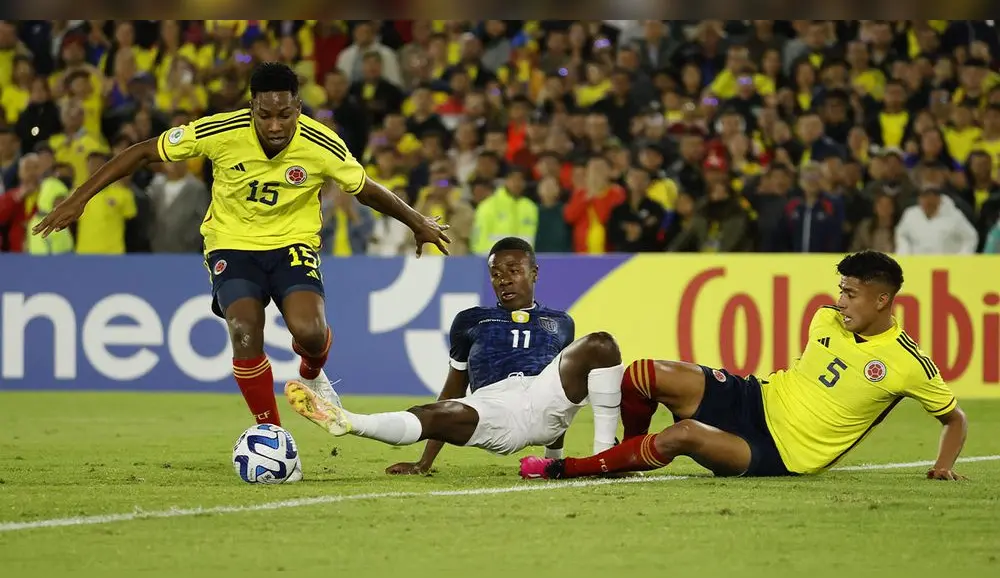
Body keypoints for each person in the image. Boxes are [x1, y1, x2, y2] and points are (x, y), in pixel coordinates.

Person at [32, 62, 450, 429]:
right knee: (245, 330)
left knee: (310, 332)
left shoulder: (322, 144)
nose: (273, 125)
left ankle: (312, 374)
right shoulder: (220, 131)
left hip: (292, 243)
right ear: (251, 109)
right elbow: (143, 153)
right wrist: (79, 197)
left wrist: (418, 222)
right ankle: (271, 431)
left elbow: (365, 188)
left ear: (298, 110)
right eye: (264, 114)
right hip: (231, 244)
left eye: (284, 115)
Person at [520, 251, 969, 481]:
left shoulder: (908, 363)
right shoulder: (825, 318)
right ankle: (631, 454)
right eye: (841, 289)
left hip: (783, 453)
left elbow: (955, 418)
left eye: (851, 293)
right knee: (642, 373)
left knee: (683, 435)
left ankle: (569, 469)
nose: (841, 299)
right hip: (757, 397)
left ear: (882, 299)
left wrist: (943, 464)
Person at [284, 237, 625, 475]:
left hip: (545, 396)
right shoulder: (470, 321)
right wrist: (424, 462)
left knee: (601, 343)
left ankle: (605, 456)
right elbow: (453, 388)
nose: (504, 279)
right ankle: (348, 422)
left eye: (513, 270)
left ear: (534, 273)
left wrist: (555, 458)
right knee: (434, 413)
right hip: (495, 408)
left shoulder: (561, 323)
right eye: (495, 273)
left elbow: (559, 389)